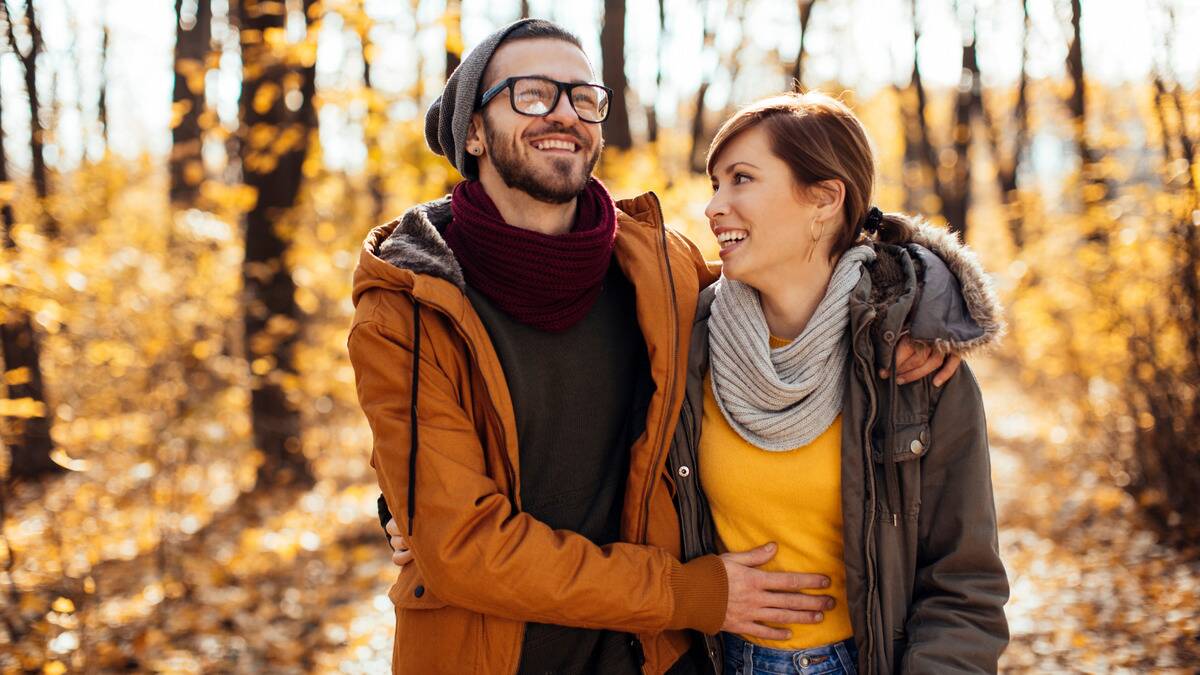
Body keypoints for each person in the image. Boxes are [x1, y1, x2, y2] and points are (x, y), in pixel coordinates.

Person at [355, 19, 959, 675]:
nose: (564, 113)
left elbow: (807, 272)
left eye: (583, 96)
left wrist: (929, 302)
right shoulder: (407, 308)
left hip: (653, 657)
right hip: (488, 655)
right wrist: (689, 592)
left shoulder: (659, 270)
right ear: (473, 131)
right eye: (532, 94)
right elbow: (465, 546)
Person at [664, 91, 1010, 674]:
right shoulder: (683, 340)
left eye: (741, 180)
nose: (713, 207)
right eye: (715, 183)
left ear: (824, 199)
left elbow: (965, 583)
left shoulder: (913, 365)